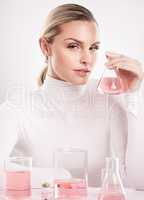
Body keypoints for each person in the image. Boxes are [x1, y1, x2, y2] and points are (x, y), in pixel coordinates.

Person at [0, 3, 143, 187]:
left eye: (93, 47)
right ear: (45, 47)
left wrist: (133, 95)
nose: (87, 59)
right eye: (73, 46)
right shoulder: (18, 108)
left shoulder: (109, 99)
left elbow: (138, 181)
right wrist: (61, 176)